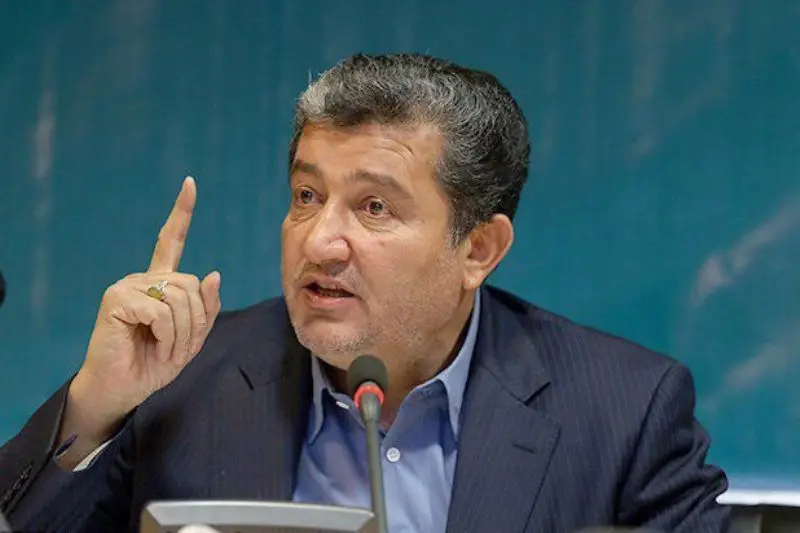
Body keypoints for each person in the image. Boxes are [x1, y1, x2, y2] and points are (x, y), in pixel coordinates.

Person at [0, 53, 729, 533]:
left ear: (478, 249)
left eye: (374, 207)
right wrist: (97, 405)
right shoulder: (185, 375)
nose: (320, 241)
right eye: (307, 196)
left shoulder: (624, 413)